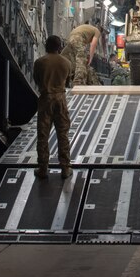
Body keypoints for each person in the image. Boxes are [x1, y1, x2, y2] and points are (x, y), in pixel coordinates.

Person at [33, 35, 73, 179]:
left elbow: (36, 80)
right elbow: (68, 82)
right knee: (63, 134)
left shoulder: (39, 62)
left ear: (46, 46)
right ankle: (65, 168)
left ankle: (43, 168)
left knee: (43, 134)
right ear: (60, 47)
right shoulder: (66, 63)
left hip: (45, 99)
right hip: (60, 99)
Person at [61, 22, 99, 86]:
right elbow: (93, 44)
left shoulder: (87, 29)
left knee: (66, 57)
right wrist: (90, 58)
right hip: (78, 38)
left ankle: (61, 76)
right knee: (81, 60)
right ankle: (78, 82)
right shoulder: (97, 31)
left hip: (71, 37)